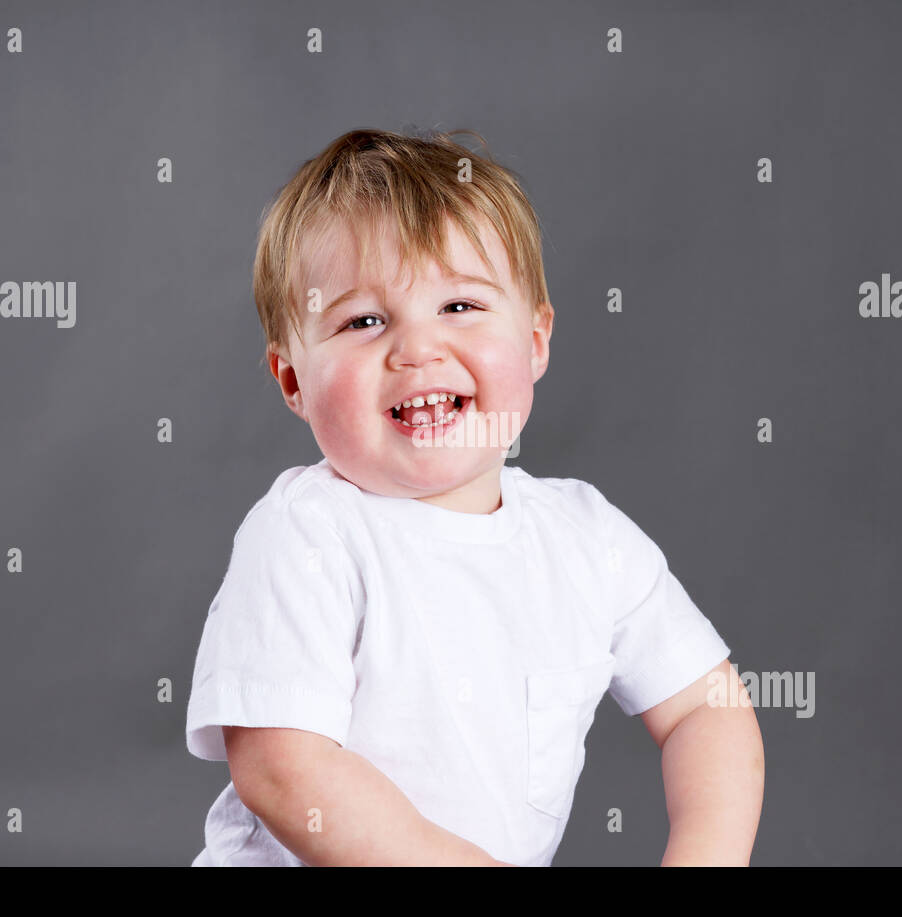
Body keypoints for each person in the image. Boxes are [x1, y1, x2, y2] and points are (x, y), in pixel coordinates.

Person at [185, 127, 764, 865]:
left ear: (535, 341)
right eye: (363, 321)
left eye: (459, 306)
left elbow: (704, 709)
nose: (417, 349)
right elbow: (281, 767)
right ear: (293, 380)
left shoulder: (589, 540)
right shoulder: (307, 534)